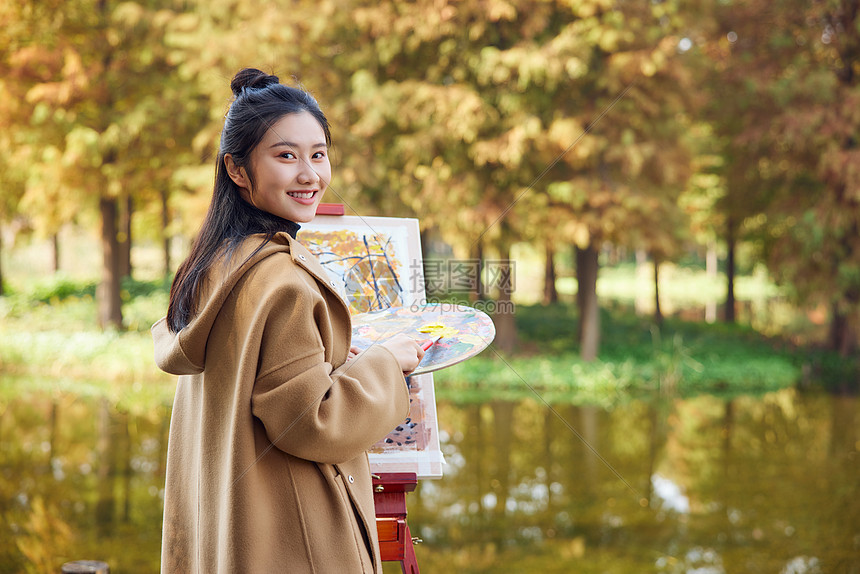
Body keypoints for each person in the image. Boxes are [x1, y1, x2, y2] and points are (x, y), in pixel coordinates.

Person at [152, 67, 424, 573]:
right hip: (292, 537)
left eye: (318, 154)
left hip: (231, 528)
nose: (310, 175)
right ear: (236, 169)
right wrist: (388, 363)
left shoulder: (216, 262)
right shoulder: (283, 280)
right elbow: (310, 420)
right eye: (285, 156)